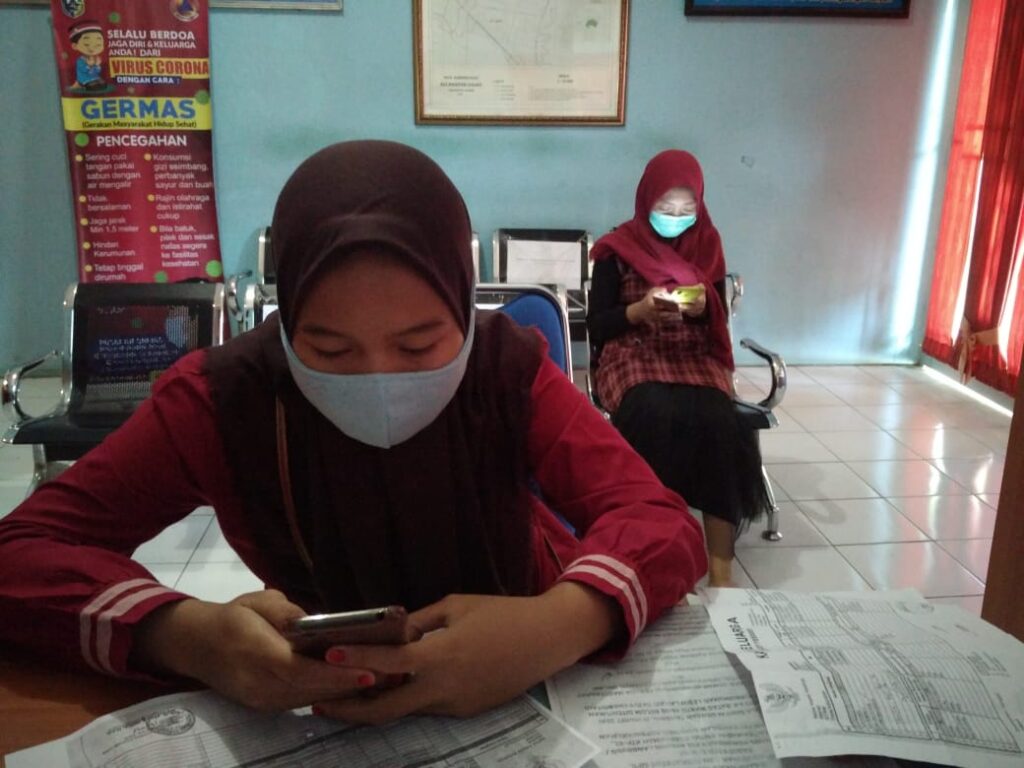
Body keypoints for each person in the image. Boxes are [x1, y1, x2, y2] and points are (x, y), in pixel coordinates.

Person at [0, 141, 706, 724]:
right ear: (284, 323)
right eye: (330, 350)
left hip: (531, 668)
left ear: (464, 313)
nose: (379, 380)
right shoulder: (222, 401)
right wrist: (181, 634)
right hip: (329, 702)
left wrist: (559, 625)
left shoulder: (506, 370)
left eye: (419, 345)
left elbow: (659, 519)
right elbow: (20, 552)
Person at [587, 149, 770, 588]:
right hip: (633, 350)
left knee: (720, 420)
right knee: (651, 411)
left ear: (700, 205)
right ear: (646, 198)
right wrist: (640, 311)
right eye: (665, 208)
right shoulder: (616, 249)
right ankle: (648, 545)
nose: (675, 218)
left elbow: (716, 317)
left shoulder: (707, 244)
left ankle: (721, 569)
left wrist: (705, 306)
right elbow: (597, 326)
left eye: (686, 209)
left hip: (692, 352)